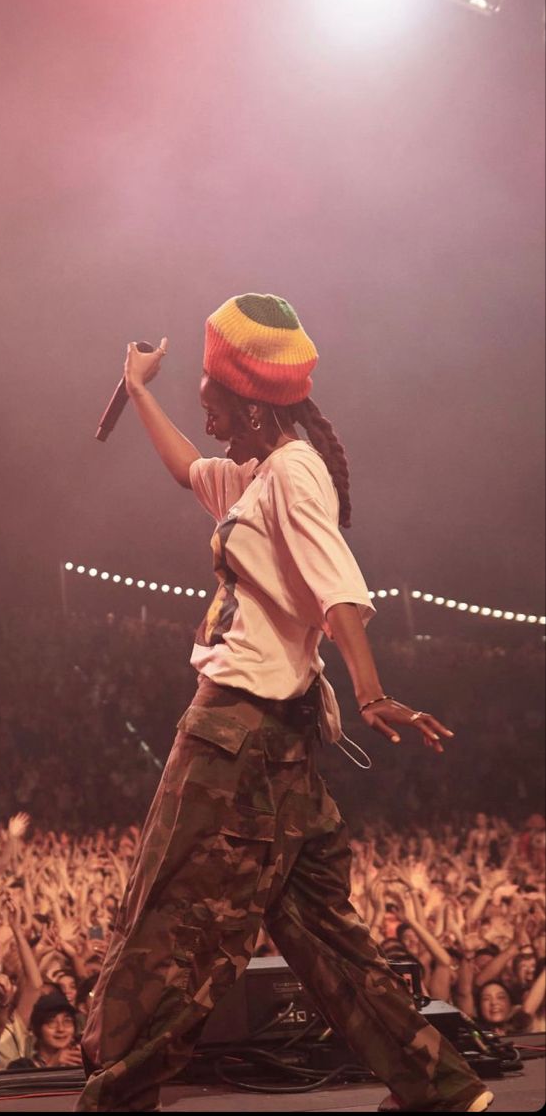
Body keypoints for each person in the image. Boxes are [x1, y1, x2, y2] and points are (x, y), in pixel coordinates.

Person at [77, 294, 493, 1113]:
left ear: (253, 405)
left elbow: (338, 590)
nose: (204, 408)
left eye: (211, 399)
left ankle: (117, 1100)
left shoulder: (291, 476)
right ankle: (440, 1089)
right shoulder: (258, 471)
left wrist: (372, 693)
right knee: (318, 934)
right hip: (277, 743)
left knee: (168, 925)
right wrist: (136, 390)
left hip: (234, 737)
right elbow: (185, 468)